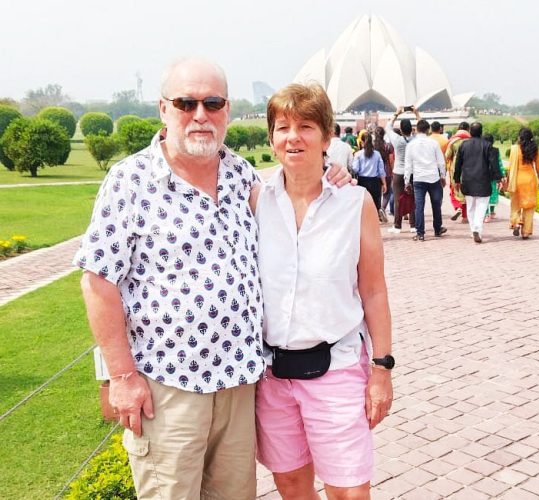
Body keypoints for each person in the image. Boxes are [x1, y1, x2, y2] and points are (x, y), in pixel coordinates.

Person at [74, 57, 351, 500]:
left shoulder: (240, 174)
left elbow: (294, 194)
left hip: (239, 385)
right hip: (168, 387)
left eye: (213, 102)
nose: (200, 115)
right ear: (163, 109)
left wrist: (331, 171)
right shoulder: (130, 182)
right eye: (186, 103)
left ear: (227, 109)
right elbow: (98, 281)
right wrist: (122, 376)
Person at [254, 82, 393, 499]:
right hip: (274, 376)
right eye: (283, 127)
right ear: (272, 138)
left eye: (306, 126)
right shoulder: (255, 200)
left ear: (327, 136)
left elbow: (374, 291)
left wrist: (382, 370)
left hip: (336, 370)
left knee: (348, 490)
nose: (293, 136)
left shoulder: (354, 203)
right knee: (292, 485)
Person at [453, 122, 503, 243]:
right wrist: (498, 179)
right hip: (483, 181)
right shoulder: (487, 145)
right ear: (481, 132)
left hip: (468, 181)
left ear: (470, 131)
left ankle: (473, 230)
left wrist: (456, 180)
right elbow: (494, 165)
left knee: (470, 207)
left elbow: (458, 164)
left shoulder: (463, 145)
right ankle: (477, 229)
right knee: (481, 207)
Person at [404, 119, 447, 241]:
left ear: (416, 130)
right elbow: (441, 162)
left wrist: (407, 181)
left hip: (418, 179)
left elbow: (408, 165)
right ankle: (437, 229)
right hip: (433, 178)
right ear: (428, 130)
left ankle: (420, 233)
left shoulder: (411, 145)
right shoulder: (433, 143)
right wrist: (443, 177)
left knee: (419, 207)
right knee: (436, 204)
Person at [386, 106, 418, 233]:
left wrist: (397, 113)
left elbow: (388, 127)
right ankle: (413, 225)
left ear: (400, 129)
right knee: (413, 199)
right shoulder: (415, 139)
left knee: (398, 199)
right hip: (412, 172)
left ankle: (397, 225)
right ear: (412, 129)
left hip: (398, 172)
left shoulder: (397, 140)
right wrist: (416, 113)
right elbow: (423, 127)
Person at [506, 127, 539, 239]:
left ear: (520, 137)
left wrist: (507, 179)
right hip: (530, 180)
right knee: (529, 206)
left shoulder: (514, 149)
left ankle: (517, 222)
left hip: (517, 179)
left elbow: (510, 167)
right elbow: (538, 168)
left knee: (515, 204)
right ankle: (526, 232)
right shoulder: (535, 149)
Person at [352, 132, 387, 219]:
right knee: (375, 203)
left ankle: (364, 220)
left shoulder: (358, 154)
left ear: (362, 142)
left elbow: (355, 169)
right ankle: (375, 220)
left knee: (363, 203)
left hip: (362, 181)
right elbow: (381, 171)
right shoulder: (377, 154)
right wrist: (384, 183)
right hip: (375, 182)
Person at [446, 122, 471, 223]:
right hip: (469, 168)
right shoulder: (471, 140)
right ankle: (465, 217)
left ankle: (458, 207)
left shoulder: (453, 141)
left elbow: (447, 155)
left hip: (456, 168)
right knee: (467, 192)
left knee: (455, 189)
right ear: (468, 129)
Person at [482, 133, 506, 222]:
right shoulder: (496, 150)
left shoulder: (481, 150)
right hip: (494, 177)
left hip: (483, 176)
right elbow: (499, 164)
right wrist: (502, 175)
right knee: (493, 194)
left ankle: (486, 214)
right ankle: (491, 212)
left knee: (484, 196)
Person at [374, 126, 394, 222]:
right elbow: (390, 160)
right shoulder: (388, 146)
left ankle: (377, 211)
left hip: (375, 171)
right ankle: (382, 208)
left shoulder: (372, 146)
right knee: (387, 192)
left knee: (377, 193)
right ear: (384, 134)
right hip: (386, 170)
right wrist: (392, 170)